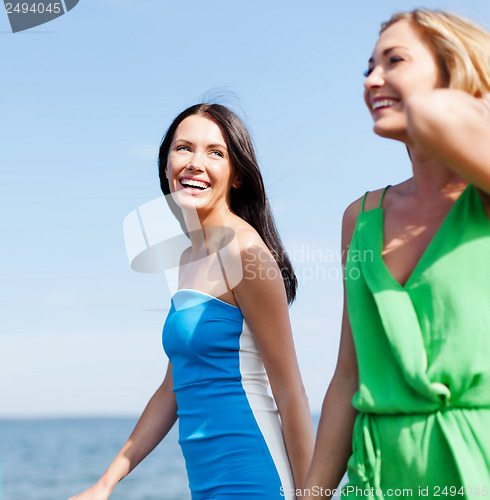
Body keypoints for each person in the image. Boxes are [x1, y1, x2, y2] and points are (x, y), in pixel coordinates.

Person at [68, 103, 314, 500]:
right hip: (205, 484)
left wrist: (313, 496)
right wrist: (104, 485)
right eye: (184, 148)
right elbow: (173, 388)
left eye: (215, 153)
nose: (195, 163)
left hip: (255, 477)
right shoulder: (188, 258)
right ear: (166, 165)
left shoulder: (246, 253)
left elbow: (290, 391)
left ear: (236, 176)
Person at [302, 8, 490, 499]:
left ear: (453, 70)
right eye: (368, 67)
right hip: (377, 479)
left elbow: (449, 120)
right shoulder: (359, 217)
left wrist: (443, 97)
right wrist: (312, 495)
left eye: (394, 60)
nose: (373, 79)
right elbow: (349, 375)